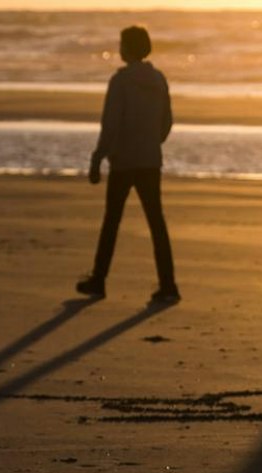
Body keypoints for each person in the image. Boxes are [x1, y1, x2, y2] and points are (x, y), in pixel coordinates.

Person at [75, 26, 178, 304]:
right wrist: (152, 142)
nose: (119, 49)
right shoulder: (158, 79)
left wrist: (98, 157)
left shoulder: (120, 81)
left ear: (128, 49)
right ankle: (168, 284)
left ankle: (99, 279)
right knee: (157, 223)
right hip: (149, 160)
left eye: (122, 44)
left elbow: (111, 124)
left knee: (112, 222)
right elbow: (166, 122)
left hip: (123, 161)